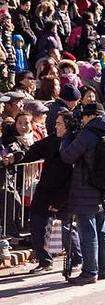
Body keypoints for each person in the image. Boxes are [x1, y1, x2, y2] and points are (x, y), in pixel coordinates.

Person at [58, 102, 105, 285]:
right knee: (102, 229)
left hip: (86, 188)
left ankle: (90, 271)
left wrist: (68, 137)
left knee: (88, 232)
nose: (82, 119)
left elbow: (67, 156)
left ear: (91, 116)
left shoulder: (88, 134)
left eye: (84, 116)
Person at [11, 111, 79, 274]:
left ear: (68, 125)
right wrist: (15, 157)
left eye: (60, 123)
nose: (56, 126)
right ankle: (45, 261)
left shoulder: (76, 144)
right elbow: (33, 151)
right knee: (36, 223)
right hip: (45, 190)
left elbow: (74, 176)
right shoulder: (51, 140)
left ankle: (77, 257)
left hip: (64, 193)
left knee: (66, 228)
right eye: (56, 123)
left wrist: (60, 200)